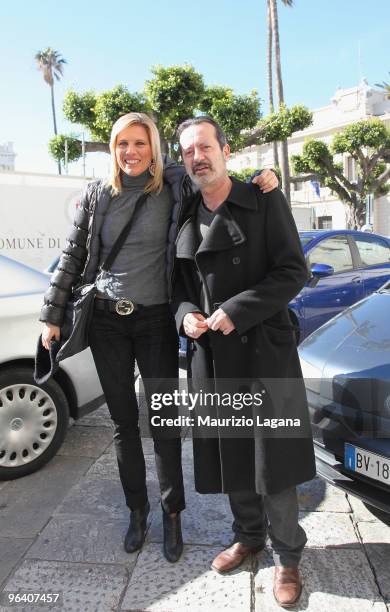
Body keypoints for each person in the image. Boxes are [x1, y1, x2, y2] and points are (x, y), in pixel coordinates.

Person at [39, 112, 278, 563]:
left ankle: (172, 515)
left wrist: (266, 176)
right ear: (113, 149)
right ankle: (137, 510)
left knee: (165, 423)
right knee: (124, 425)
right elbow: (73, 254)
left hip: (154, 323)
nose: (131, 152)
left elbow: (213, 176)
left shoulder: (173, 185)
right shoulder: (96, 195)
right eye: (122, 144)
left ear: (154, 147)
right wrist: (52, 314)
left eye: (140, 143)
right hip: (108, 322)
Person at [174, 116, 316, 607]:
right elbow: (179, 287)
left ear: (225, 150)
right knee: (232, 453)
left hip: (263, 352)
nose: (198, 157)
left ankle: (288, 558)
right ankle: (248, 536)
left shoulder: (262, 197)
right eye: (189, 151)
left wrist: (237, 311)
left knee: (272, 459)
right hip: (212, 355)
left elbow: (293, 271)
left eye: (205, 147)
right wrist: (187, 316)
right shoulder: (185, 210)